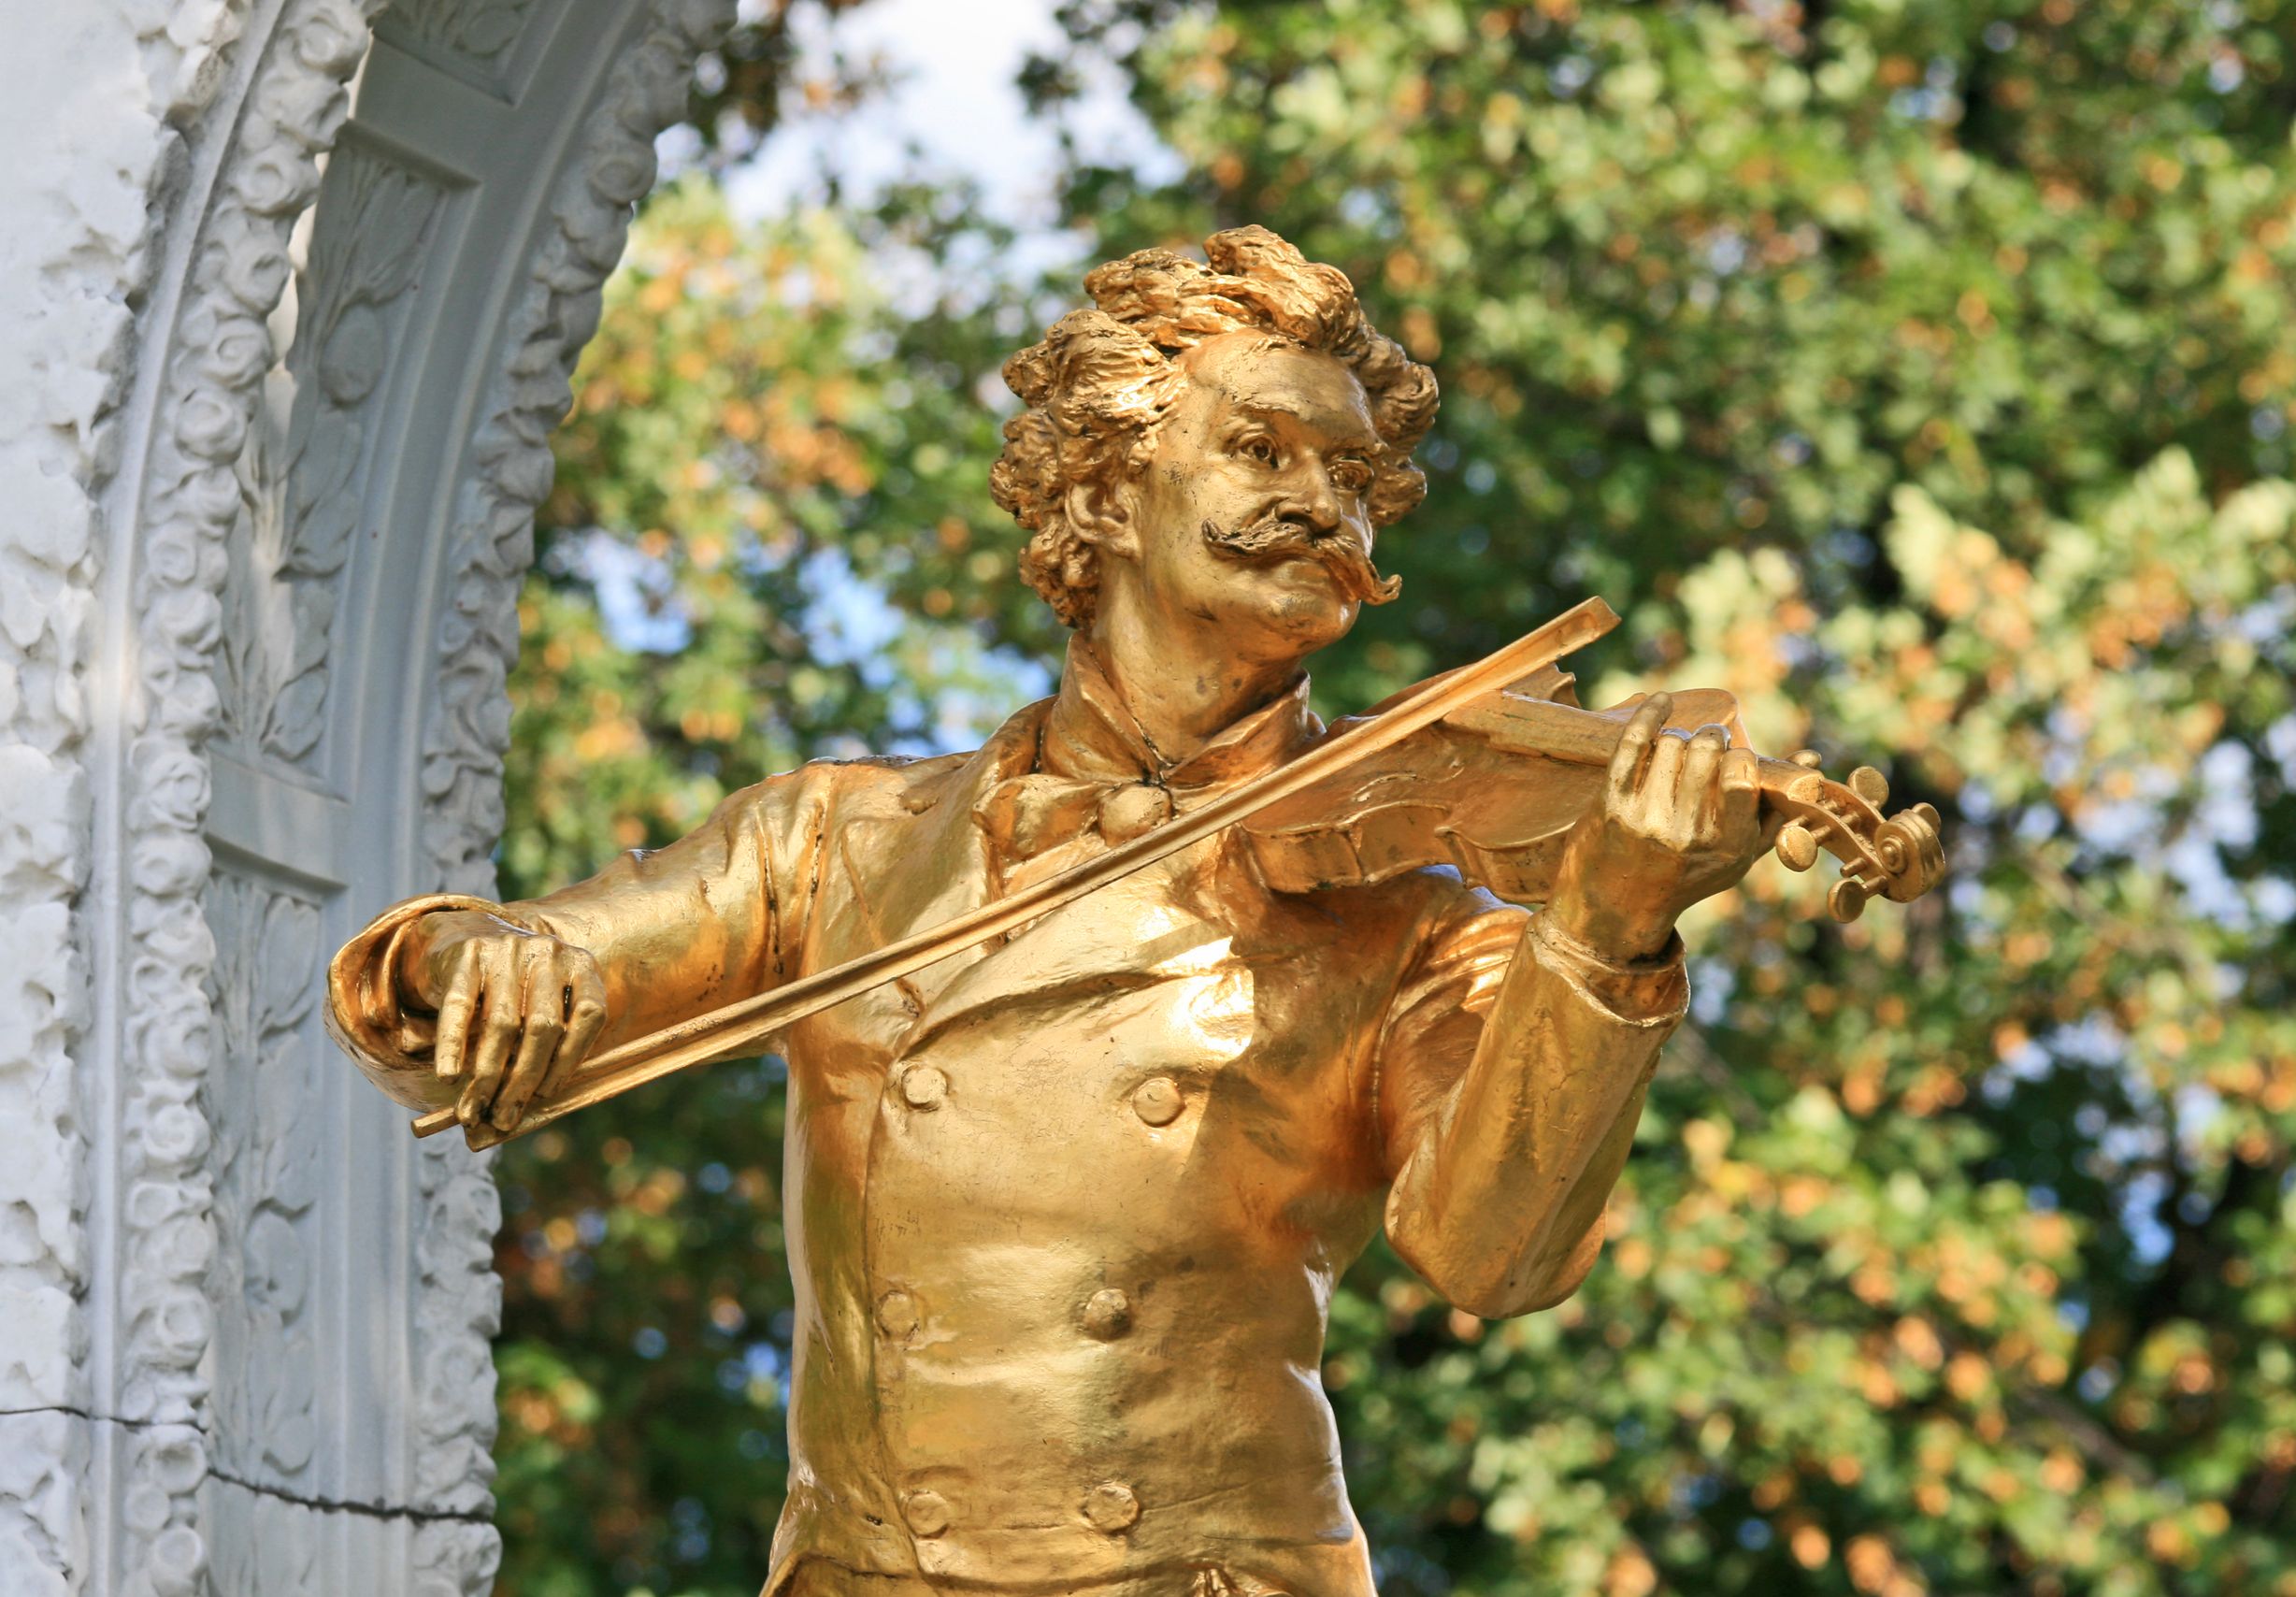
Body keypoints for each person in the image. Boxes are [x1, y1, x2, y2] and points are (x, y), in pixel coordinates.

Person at [326, 225, 1769, 1597]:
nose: (1323, 507)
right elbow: (496, 992)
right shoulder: (835, 842)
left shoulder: (1406, 917)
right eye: (1259, 450)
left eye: (1351, 476)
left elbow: (1493, 1256)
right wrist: (473, 958)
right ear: (1103, 491)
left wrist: (1608, 925)